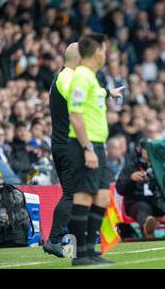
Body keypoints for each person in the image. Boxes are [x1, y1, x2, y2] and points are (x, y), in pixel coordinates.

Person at [44, 43, 123, 258]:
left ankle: (81, 245)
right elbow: (81, 99)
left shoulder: (65, 77)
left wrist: (108, 92)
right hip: (70, 145)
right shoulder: (67, 78)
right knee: (73, 194)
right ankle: (54, 240)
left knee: (83, 194)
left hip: (64, 144)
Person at [67, 34, 115, 266]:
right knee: (83, 196)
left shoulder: (92, 79)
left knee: (103, 196)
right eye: (104, 51)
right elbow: (75, 116)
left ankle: (89, 249)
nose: (105, 55)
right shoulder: (81, 78)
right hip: (84, 144)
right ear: (97, 52)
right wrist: (87, 148)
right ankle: (79, 255)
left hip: (97, 145)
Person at [116, 139, 164, 238]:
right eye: (147, 149)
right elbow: (120, 189)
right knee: (143, 207)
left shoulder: (161, 166)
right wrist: (131, 179)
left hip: (158, 202)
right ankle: (148, 228)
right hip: (136, 203)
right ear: (139, 150)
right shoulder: (130, 168)